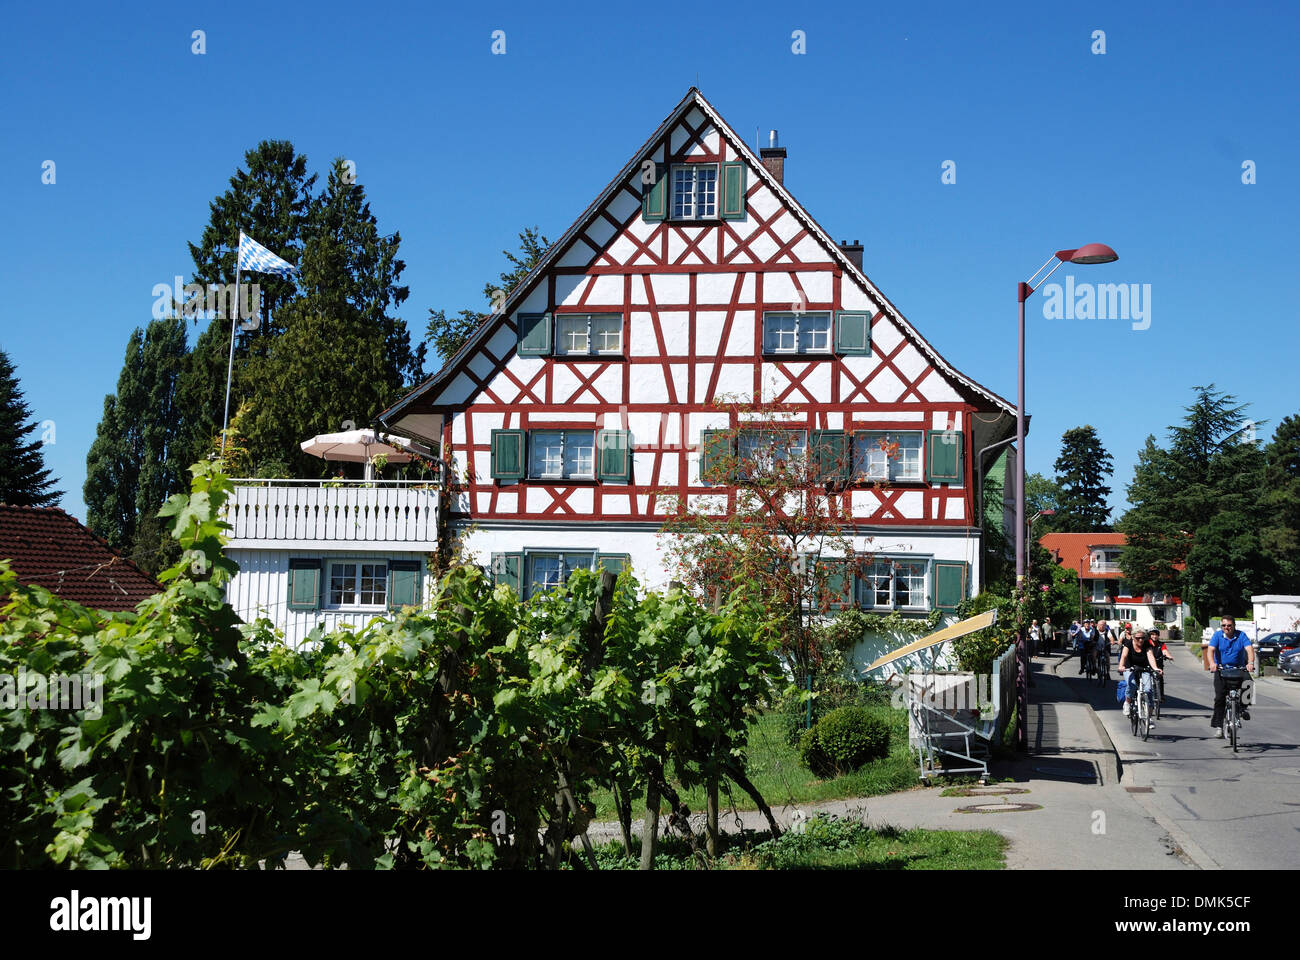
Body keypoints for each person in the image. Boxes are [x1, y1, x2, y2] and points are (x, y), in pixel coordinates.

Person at [1205, 615, 1256, 739]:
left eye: (1229, 625)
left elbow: (1249, 649)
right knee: (1219, 698)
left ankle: (1243, 708)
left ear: (1234, 626)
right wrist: (1212, 663)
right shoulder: (1217, 636)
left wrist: (1250, 663)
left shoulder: (1241, 635)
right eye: (1224, 625)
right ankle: (1219, 727)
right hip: (1221, 669)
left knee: (1249, 683)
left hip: (1239, 668)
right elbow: (1210, 650)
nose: (1226, 627)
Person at [1120, 630, 1163, 718]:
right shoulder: (1128, 644)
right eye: (1138, 638)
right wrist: (1121, 666)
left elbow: (1150, 656)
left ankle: (1149, 718)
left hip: (1144, 668)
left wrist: (1155, 668)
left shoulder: (1147, 644)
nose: (1140, 640)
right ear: (1133, 637)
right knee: (1132, 684)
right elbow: (1124, 655)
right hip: (1130, 668)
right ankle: (1127, 702)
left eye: (1142, 638)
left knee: (1148, 689)